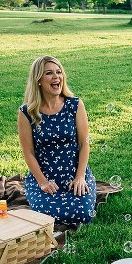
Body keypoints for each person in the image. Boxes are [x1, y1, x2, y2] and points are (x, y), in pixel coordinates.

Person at [17, 55, 96, 226]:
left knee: (83, 213)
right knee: (45, 215)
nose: (56, 77)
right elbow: (28, 152)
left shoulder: (74, 105)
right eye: (49, 73)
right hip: (45, 178)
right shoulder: (27, 112)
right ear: (38, 80)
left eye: (59, 72)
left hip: (73, 174)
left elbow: (84, 144)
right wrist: (42, 182)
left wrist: (81, 177)